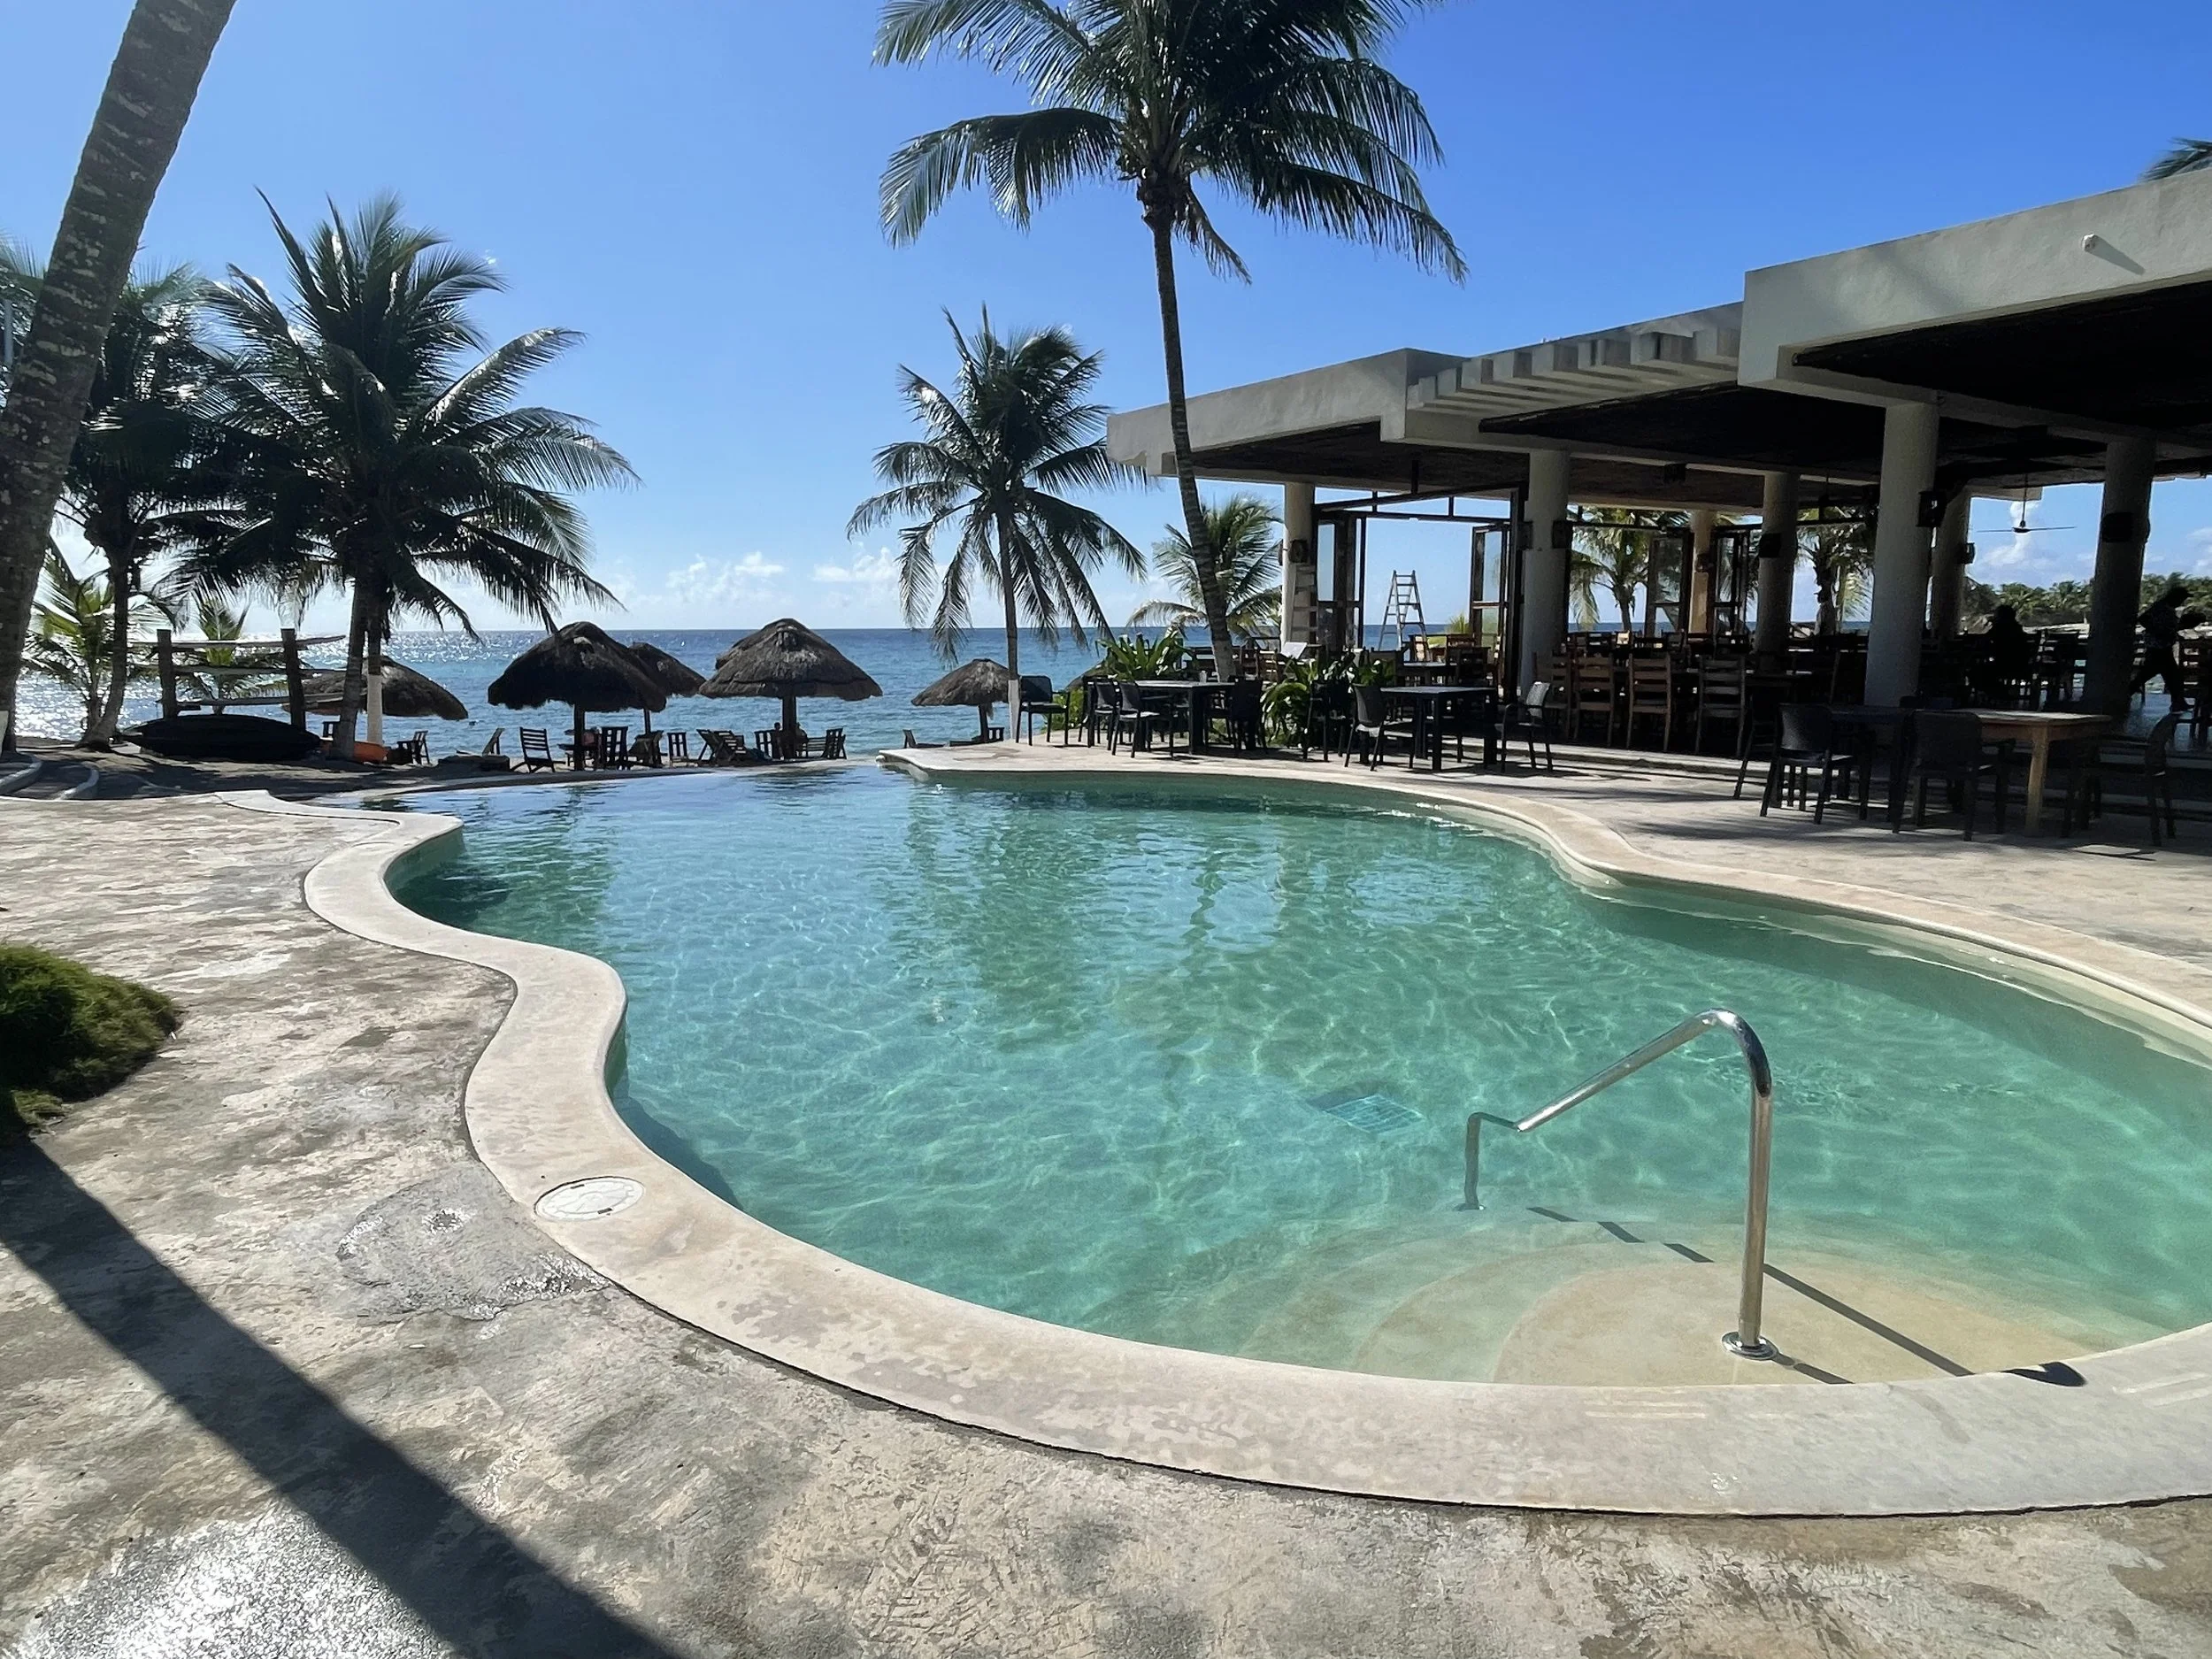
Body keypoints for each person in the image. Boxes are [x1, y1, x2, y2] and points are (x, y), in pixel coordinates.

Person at [2132, 585, 2201, 709]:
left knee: (2166, 676)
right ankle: (2178, 702)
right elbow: (2143, 619)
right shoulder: (2161, 608)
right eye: (2182, 599)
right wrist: (2157, 632)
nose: (2182, 602)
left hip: (2162, 647)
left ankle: (2178, 702)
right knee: (2168, 676)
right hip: (2159, 648)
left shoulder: (2166, 609)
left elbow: (2168, 628)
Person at [1985, 603, 2034, 697]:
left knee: (1977, 671)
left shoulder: (1999, 629)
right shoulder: (2018, 629)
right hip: (2021, 666)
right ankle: (2001, 692)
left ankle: (2000, 692)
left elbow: (1986, 640)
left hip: (2003, 665)